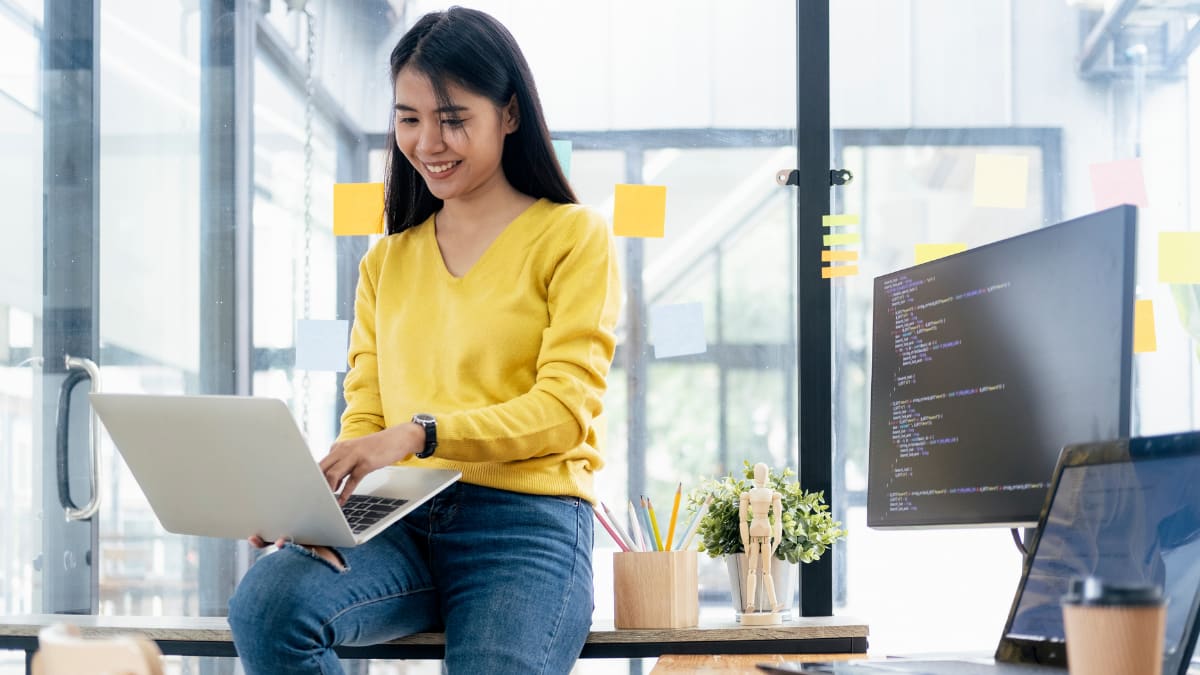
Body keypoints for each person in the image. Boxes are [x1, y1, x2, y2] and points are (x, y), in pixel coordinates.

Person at [226, 7, 622, 674]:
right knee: (269, 604)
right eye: (409, 118)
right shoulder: (386, 262)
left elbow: (561, 412)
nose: (427, 141)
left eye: (453, 118)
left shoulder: (573, 237)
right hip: (397, 519)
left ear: (511, 115)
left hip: (525, 526)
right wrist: (326, 510)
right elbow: (365, 421)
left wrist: (419, 433)